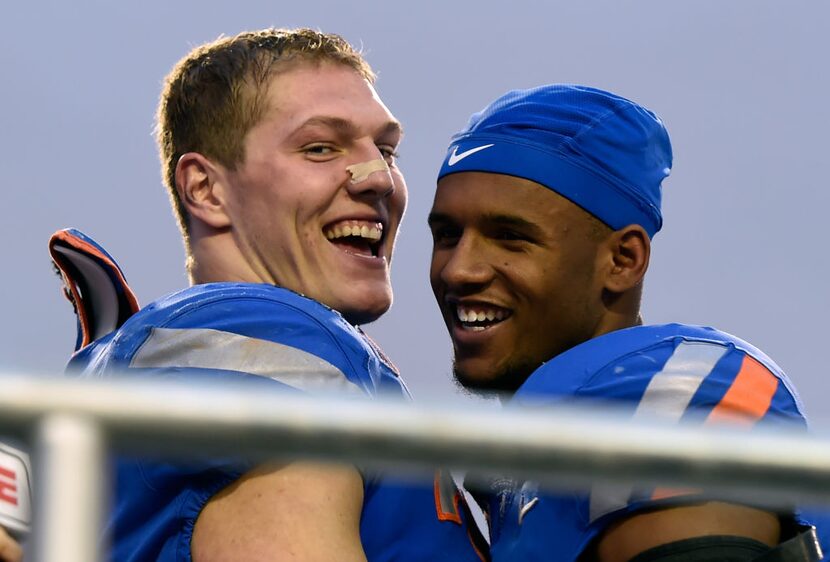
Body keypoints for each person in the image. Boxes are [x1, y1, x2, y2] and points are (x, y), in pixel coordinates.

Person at [55, 28, 485, 562]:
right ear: (205, 190)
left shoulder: (176, 350)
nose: (379, 179)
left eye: (386, 149)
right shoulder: (261, 326)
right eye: (320, 147)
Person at [428, 84, 821, 561]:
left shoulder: (661, 384)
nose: (458, 270)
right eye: (448, 235)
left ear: (622, 259)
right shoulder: (533, 447)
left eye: (510, 238)